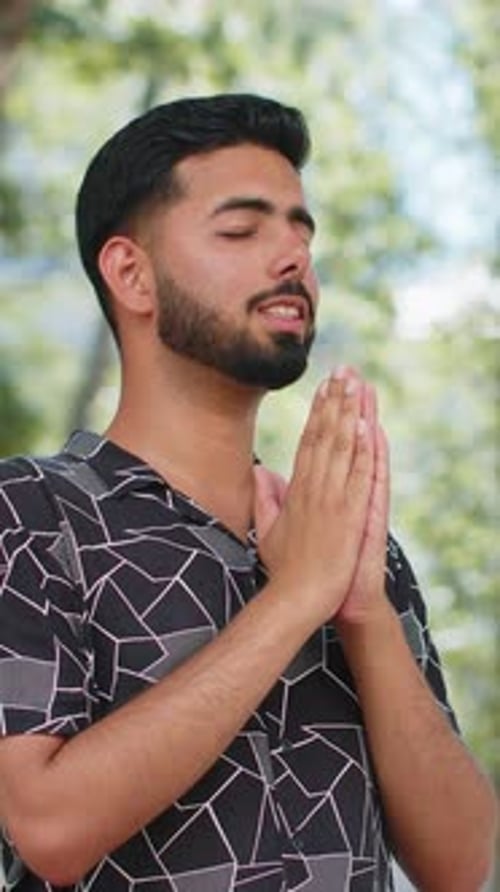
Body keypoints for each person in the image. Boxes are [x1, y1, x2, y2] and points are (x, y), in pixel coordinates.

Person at [0, 93, 496, 892]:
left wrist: (363, 611)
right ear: (131, 274)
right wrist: (296, 597)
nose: (293, 256)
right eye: (242, 230)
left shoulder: (347, 543)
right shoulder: (31, 514)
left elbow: (461, 864)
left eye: (302, 232)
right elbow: (49, 827)